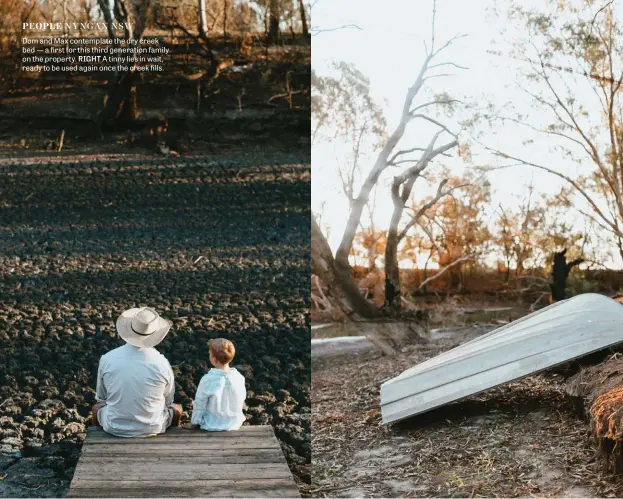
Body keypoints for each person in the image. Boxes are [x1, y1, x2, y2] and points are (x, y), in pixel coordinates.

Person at [91, 307, 183, 437]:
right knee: (177, 409)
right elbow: (168, 400)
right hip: (153, 427)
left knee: (96, 408)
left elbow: (101, 397)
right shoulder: (162, 363)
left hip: (114, 426)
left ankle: (98, 441)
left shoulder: (107, 359)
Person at [185, 338, 247, 431]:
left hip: (211, 424)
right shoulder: (239, 377)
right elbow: (242, 399)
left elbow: (200, 403)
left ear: (214, 360)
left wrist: (194, 423)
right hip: (234, 423)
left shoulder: (207, 379)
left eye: (210, 354)